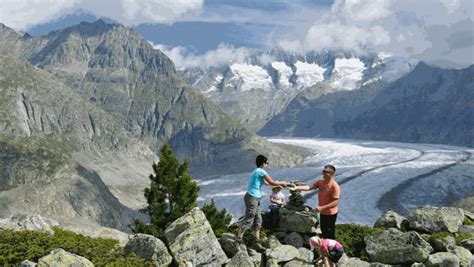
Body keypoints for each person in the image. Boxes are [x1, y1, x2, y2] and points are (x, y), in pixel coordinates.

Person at [237, 155, 288, 251]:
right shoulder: (261, 171)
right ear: (263, 163)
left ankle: (256, 242)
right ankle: (238, 239)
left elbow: (268, 183)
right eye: (267, 163)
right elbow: (272, 182)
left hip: (255, 198)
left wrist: (280, 183)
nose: (267, 165)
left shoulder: (257, 172)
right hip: (252, 197)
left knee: (258, 219)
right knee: (250, 217)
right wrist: (281, 183)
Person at [290, 165, 340, 239]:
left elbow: (335, 202)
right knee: (324, 230)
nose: (323, 173)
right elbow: (309, 187)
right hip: (323, 212)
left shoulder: (334, 186)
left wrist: (322, 207)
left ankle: (332, 249)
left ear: (332, 174)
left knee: (330, 233)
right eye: (323, 171)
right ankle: (325, 248)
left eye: (326, 172)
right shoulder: (320, 182)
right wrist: (297, 187)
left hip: (330, 213)